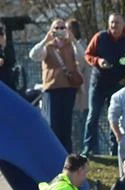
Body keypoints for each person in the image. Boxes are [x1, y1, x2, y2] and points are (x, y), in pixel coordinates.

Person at [82, 14, 125, 157]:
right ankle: (89, 148)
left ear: (123, 25)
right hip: (98, 83)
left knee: (116, 118)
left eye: (117, 23)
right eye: (112, 23)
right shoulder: (100, 37)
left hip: (117, 85)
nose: (114, 26)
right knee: (93, 116)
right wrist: (98, 61)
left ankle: (115, 149)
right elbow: (88, 55)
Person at [28, 18, 83, 153]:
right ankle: (52, 153)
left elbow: (82, 56)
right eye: (56, 28)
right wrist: (45, 40)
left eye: (62, 28)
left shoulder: (71, 45)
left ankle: (67, 154)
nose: (59, 31)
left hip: (68, 89)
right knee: (53, 124)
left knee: (66, 124)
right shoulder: (48, 47)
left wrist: (73, 40)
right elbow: (33, 55)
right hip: (52, 90)